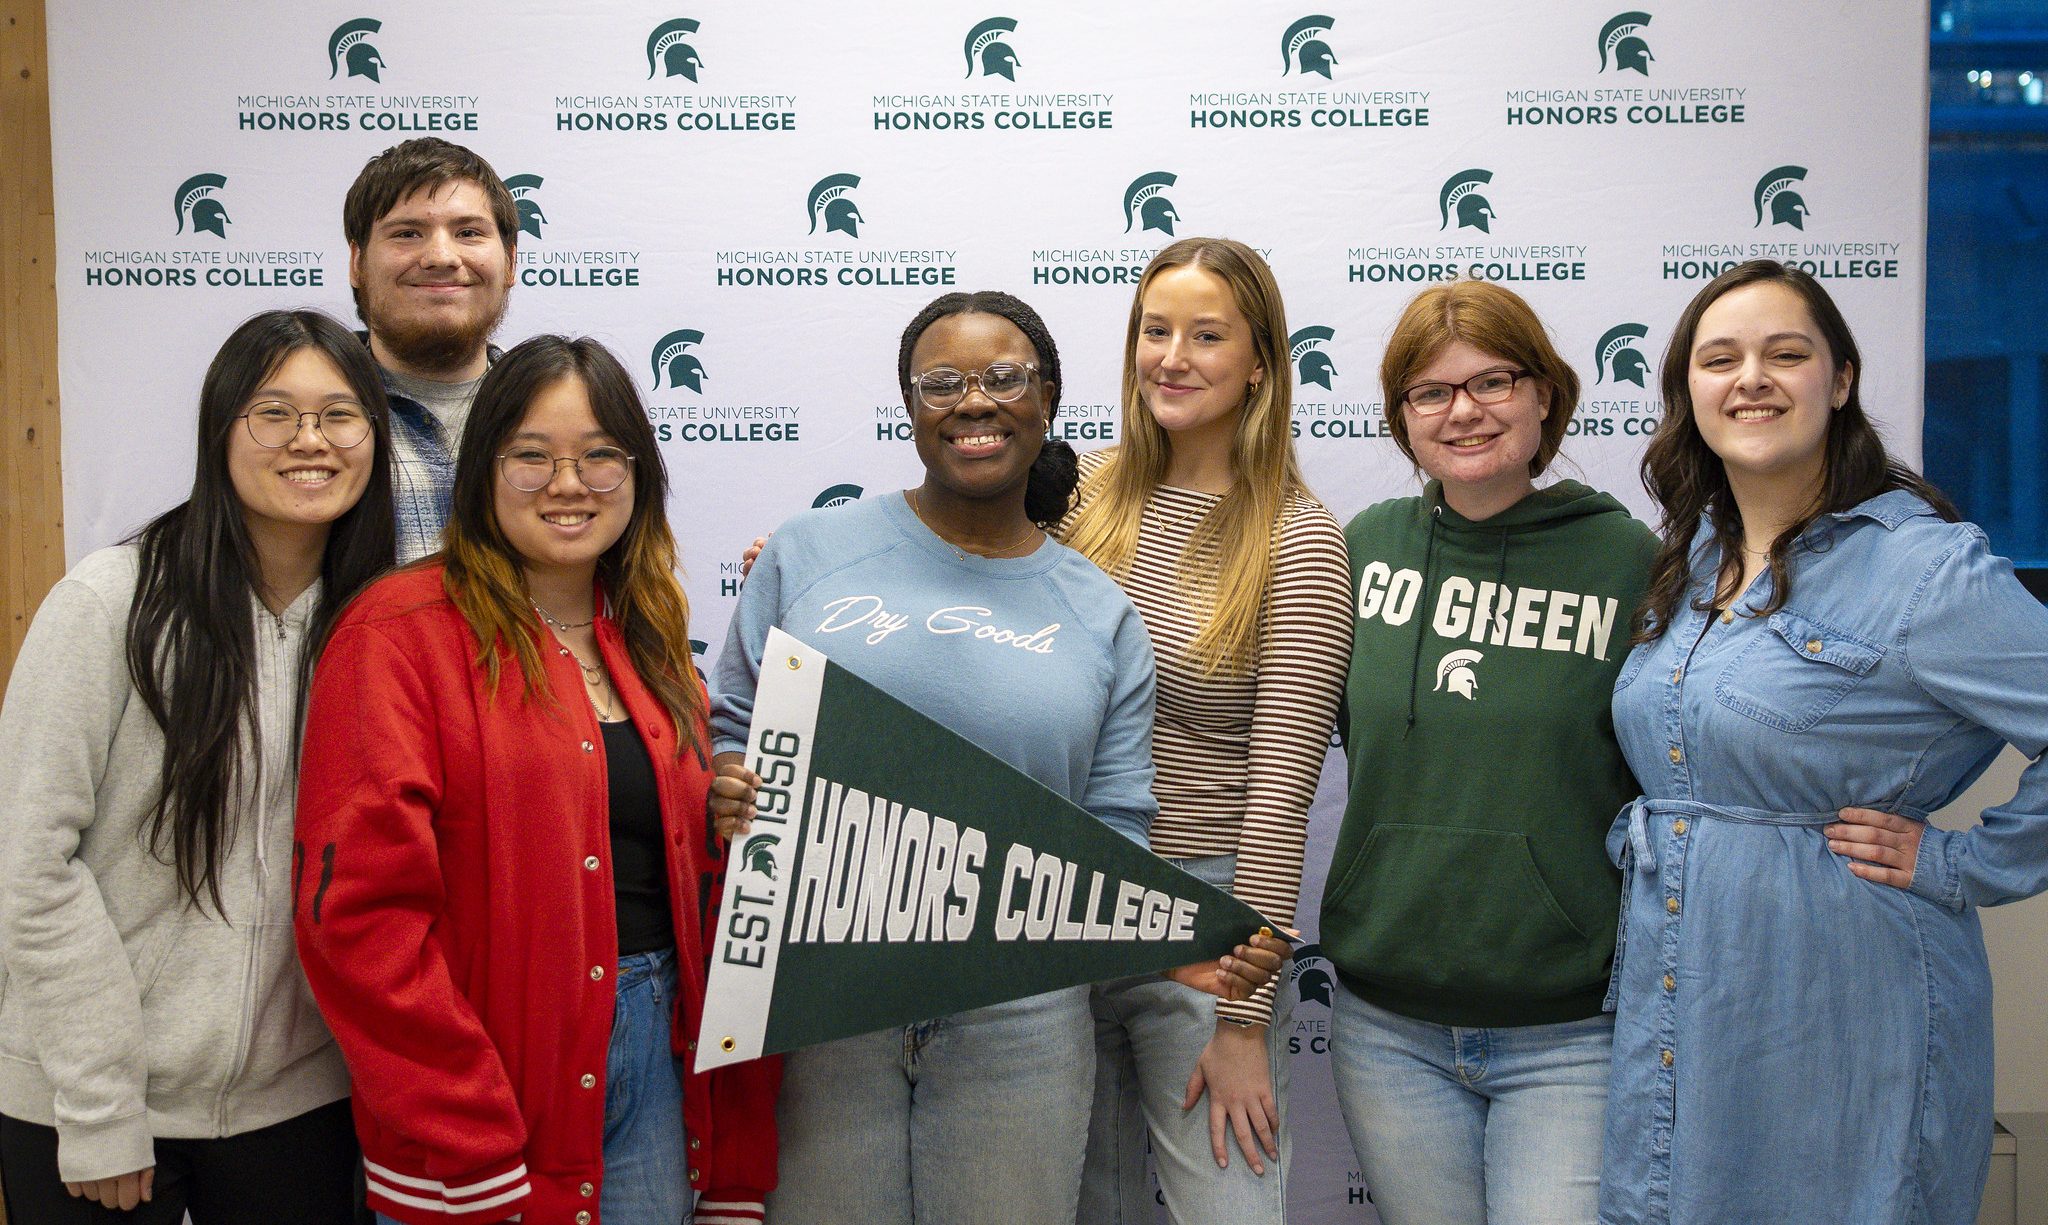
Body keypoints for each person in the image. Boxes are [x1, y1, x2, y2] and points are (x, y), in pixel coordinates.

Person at [707, 290, 1281, 1225]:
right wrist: (724, 789)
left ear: (1047, 397)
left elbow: (1115, 831)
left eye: (1004, 377)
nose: (974, 401)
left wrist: (1171, 939)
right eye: (942, 382)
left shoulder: (1100, 612)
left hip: (1022, 1019)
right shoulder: (809, 551)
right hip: (824, 998)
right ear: (910, 405)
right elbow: (728, 726)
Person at [292, 336, 777, 1224]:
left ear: (638, 473)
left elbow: (667, 862)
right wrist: (463, 1124)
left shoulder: (652, 635)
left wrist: (718, 804)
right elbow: (360, 919)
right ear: (483, 471)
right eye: (532, 457)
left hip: (659, 1069)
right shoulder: (398, 635)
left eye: (600, 455)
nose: (569, 482)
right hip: (489, 1094)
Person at [1603, 259, 2048, 1225]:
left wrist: (1970, 863)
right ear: (1689, 389)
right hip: (1687, 1001)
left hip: (1849, 1013)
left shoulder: (1923, 569)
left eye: (1786, 354)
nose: (1751, 377)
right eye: (1720, 358)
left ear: (1839, 379)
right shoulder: (1693, 557)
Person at [0, 310, 395, 1223]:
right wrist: (101, 1109)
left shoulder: (378, 626)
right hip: (93, 1102)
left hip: (297, 1107)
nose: (310, 440)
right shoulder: (110, 604)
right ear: (220, 429)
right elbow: (33, 867)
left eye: (341, 414)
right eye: (274, 412)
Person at [1321, 281, 1657, 1224]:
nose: (1464, 410)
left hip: (1569, 1032)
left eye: (1494, 381)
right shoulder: (1364, 550)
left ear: (1545, 394)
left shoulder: (1625, 558)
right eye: (1430, 392)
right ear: (1401, 418)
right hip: (1387, 1025)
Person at [1059, 237, 1351, 1224]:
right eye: (1154, 330)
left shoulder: (1297, 536)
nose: (1170, 356)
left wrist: (1241, 1016)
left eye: (1206, 334)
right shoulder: (1079, 495)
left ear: (1260, 363)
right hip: (1060, 914)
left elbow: (1279, 796)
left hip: (1202, 920)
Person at [343, 137, 517, 561]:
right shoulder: (297, 418)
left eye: (469, 233)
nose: (441, 256)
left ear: (512, 262)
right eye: (407, 233)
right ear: (356, 264)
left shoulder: (558, 410)